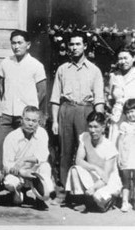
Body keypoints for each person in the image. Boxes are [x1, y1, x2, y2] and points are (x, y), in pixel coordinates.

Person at [50, 32, 105, 202]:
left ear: (85, 46)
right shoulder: (62, 69)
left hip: (86, 111)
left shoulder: (94, 70)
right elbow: (55, 98)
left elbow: (99, 99)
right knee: (65, 151)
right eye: (71, 44)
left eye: (78, 44)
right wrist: (54, 120)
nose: (74, 48)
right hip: (66, 109)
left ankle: (84, 193)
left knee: (86, 151)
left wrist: (99, 122)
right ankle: (64, 193)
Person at [0, 30, 47, 170]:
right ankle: (0, 180)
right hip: (7, 114)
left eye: (20, 43)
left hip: (25, 117)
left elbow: (42, 92)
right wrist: (6, 102)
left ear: (28, 45)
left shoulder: (36, 65)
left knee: (24, 148)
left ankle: (24, 182)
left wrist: (31, 111)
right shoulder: (5, 63)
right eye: (13, 43)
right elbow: (0, 86)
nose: (16, 46)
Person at [65, 112, 122, 213]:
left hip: (108, 179)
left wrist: (93, 188)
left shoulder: (109, 146)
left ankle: (110, 199)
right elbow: (78, 160)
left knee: (100, 200)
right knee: (75, 169)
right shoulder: (84, 137)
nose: (92, 130)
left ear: (103, 127)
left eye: (96, 127)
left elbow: (105, 178)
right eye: (90, 126)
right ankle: (83, 201)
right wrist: (95, 168)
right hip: (95, 173)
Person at [2, 106, 54, 210]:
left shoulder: (42, 133)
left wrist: (24, 159)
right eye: (27, 120)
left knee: (45, 166)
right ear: (21, 120)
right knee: (10, 183)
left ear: (38, 122)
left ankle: (40, 199)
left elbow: (42, 156)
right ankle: (18, 193)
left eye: (34, 121)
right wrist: (22, 172)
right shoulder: (12, 137)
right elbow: (7, 165)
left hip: (34, 172)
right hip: (18, 173)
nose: (30, 124)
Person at [107, 46, 135, 141]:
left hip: (133, 118)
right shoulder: (114, 76)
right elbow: (110, 98)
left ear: (133, 58)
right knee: (115, 146)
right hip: (117, 118)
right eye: (120, 59)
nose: (123, 62)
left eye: (125, 58)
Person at [116, 99, 135, 212]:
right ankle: (125, 202)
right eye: (128, 112)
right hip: (127, 157)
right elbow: (120, 141)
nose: (130, 115)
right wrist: (119, 156)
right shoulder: (124, 125)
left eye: (133, 111)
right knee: (126, 181)